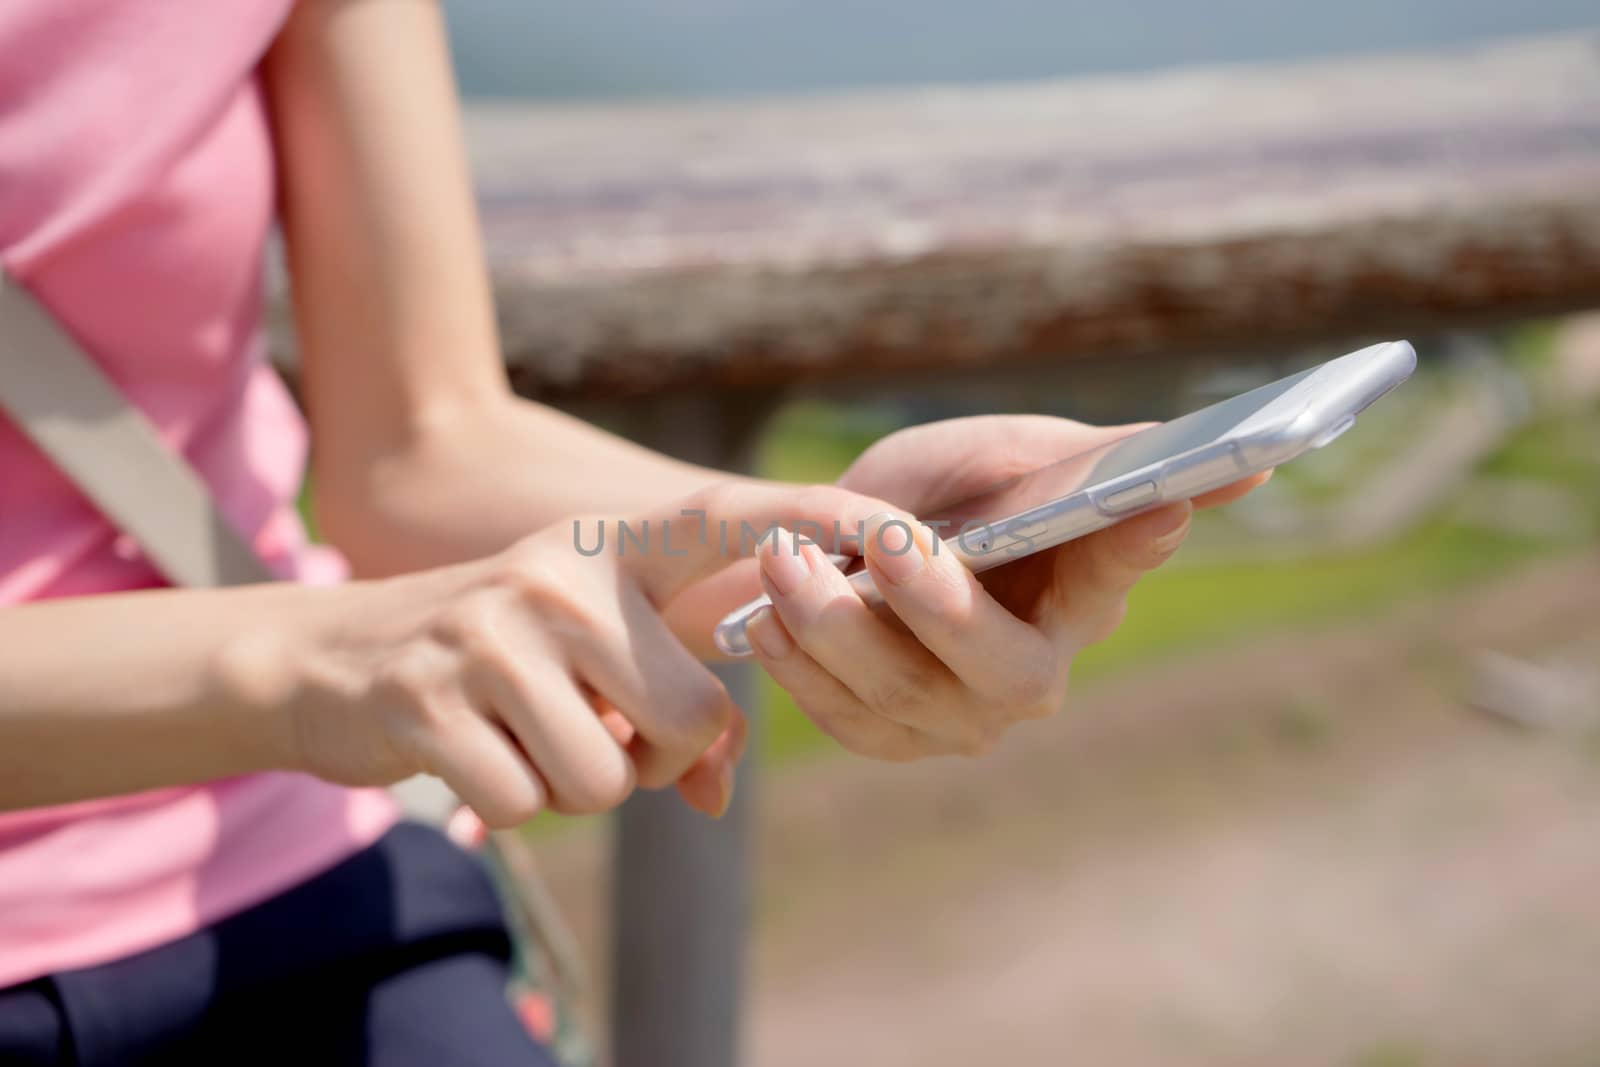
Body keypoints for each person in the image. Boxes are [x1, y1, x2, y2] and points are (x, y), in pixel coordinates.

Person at [0, 1, 1265, 1063]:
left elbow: (424, 448)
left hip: (289, 877)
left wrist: (806, 540)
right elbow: (343, 620)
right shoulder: (311, 672)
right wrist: (313, 659)